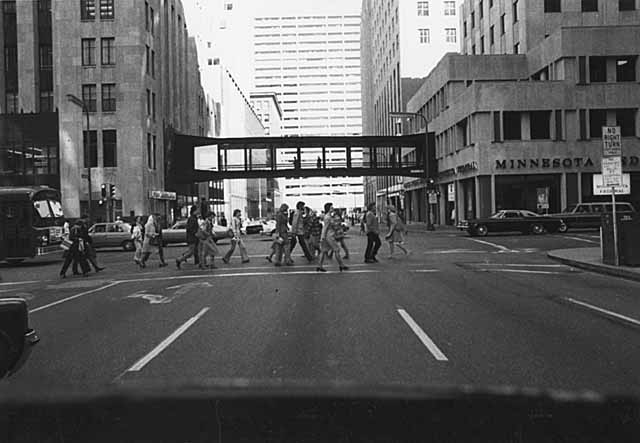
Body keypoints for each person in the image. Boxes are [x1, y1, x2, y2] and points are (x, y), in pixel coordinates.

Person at [317, 203, 348, 272]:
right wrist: (323, 237)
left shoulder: (328, 216)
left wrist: (322, 237)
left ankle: (319, 266)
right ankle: (341, 265)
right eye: (331, 208)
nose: (333, 208)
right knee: (336, 250)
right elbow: (325, 228)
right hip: (329, 236)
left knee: (323, 251)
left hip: (326, 236)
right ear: (328, 209)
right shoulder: (328, 217)